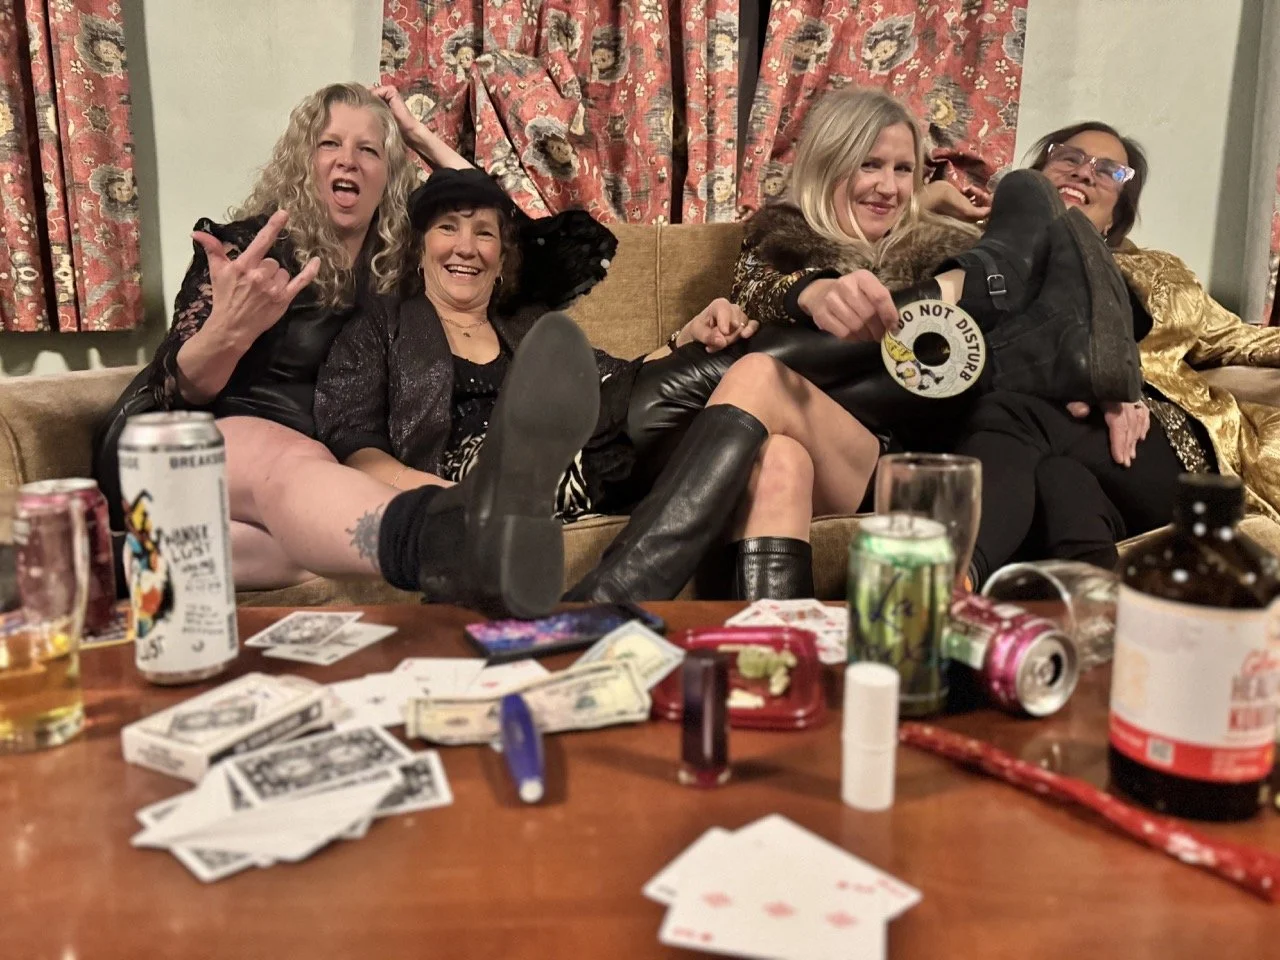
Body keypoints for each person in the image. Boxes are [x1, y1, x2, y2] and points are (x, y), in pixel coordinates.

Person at [92, 82, 601, 619]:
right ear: (304, 161)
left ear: (392, 174)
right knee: (295, 458)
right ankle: (458, 538)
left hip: (307, 490)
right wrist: (231, 330)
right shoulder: (248, 250)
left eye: (369, 150)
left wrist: (425, 139)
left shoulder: (399, 265)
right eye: (329, 144)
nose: (348, 161)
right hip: (179, 448)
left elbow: (534, 255)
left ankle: (113, 561)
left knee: (312, 548)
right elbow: (175, 387)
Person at [952, 121, 1280, 584]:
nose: (1084, 173)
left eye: (1108, 171)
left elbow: (1241, 339)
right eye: (1068, 158)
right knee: (1059, 479)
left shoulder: (1159, 275)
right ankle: (1100, 621)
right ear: (1037, 174)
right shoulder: (986, 260)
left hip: (1161, 445)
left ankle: (949, 581)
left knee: (1014, 414)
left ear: (1115, 215)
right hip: (1065, 443)